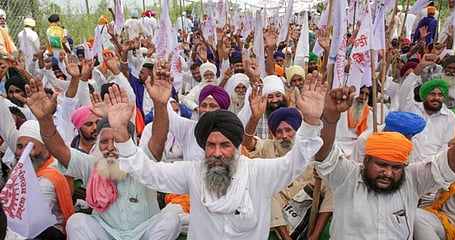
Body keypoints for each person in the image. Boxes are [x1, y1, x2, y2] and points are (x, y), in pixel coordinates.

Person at [115, 67, 329, 239]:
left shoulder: (257, 173)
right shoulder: (194, 172)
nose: (216, 153)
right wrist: (121, 134)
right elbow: (148, 172)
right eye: (210, 145)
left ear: (236, 146)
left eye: (225, 145)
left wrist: (310, 122)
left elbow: (294, 162)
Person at [312, 60, 455, 239]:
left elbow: (454, 161)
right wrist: (330, 116)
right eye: (382, 164)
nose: (388, 173)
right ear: (366, 160)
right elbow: (324, 154)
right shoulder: (347, 177)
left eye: (396, 167)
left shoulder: (412, 179)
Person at [21, 75, 182, 240]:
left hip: (146, 231)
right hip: (107, 233)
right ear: (97, 145)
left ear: (130, 142)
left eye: (117, 141)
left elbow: (159, 137)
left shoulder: (143, 160)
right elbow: (58, 148)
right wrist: (44, 119)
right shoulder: (91, 165)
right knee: (76, 222)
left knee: (171, 220)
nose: (111, 147)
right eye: (104, 141)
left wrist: (161, 105)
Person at [243, 105, 333, 240]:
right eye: (279, 132)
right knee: (266, 190)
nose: (284, 136)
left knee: (331, 184)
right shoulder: (267, 146)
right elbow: (248, 143)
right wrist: (254, 119)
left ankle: (315, 236)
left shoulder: (311, 148)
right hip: (279, 204)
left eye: (288, 130)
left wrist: (323, 173)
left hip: (308, 199)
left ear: (297, 131)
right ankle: (286, 237)